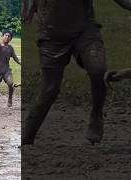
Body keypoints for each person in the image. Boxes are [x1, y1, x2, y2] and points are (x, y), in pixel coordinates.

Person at [22, 0, 131, 146]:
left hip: (84, 29)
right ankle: (26, 141)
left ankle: (96, 115)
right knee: (49, 90)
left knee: (98, 69)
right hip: (52, 34)